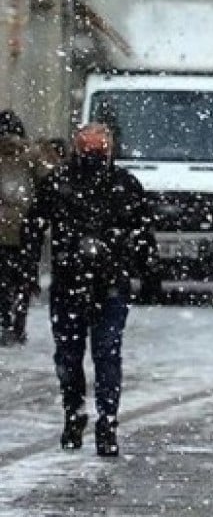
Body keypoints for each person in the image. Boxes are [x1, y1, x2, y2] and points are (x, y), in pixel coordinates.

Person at [25, 123, 154, 457]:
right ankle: (78, 413)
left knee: (101, 354)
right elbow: (34, 226)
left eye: (98, 147)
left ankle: (104, 420)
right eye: (88, 147)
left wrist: (142, 268)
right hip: (75, 283)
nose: (93, 153)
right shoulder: (62, 183)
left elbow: (142, 232)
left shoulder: (121, 185)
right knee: (76, 355)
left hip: (105, 283)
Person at [0, 111, 46, 345]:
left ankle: (5, 322)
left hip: (4, 230)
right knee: (24, 279)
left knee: (3, 280)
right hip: (27, 230)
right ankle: (18, 324)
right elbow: (47, 184)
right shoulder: (32, 155)